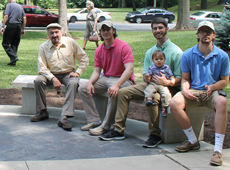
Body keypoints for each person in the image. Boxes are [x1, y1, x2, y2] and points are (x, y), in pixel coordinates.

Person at [99, 18, 183, 148]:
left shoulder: (176, 52)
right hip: (150, 85)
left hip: (169, 88)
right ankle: (118, 130)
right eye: (155, 28)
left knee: (153, 98)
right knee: (123, 92)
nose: (158, 31)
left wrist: (167, 82)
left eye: (160, 28)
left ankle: (155, 135)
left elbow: (179, 78)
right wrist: (148, 78)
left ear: (167, 29)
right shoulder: (150, 52)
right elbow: (145, 75)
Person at [170, 21, 229, 166]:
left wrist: (213, 87)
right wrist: (185, 90)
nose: (205, 34)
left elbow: (225, 81)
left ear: (213, 35)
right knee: (174, 103)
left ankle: (218, 151)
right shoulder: (188, 54)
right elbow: (185, 79)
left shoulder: (222, 56)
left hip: (212, 90)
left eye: (208, 32)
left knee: (222, 102)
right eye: (202, 31)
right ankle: (192, 141)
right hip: (193, 90)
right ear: (198, 34)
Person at [78, 21, 135, 135]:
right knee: (83, 88)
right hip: (106, 77)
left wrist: (117, 84)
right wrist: (90, 82)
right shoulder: (99, 49)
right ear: (100, 33)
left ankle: (106, 126)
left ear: (113, 31)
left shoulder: (123, 46)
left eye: (108, 29)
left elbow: (129, 69)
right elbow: (97, 71)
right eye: (103, 30)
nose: (106, 32)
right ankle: (94, 120)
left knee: (113, 91)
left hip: (123, 79)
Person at [30, 23, 89, 131]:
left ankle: (64, 117)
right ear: (48, 35)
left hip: (68, 73)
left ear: (61, 33)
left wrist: (78, 72)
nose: (54, 35)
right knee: (38, 81)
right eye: (51, 33)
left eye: (57, 32)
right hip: (50, 74)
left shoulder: (70, 42)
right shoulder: (43, 47)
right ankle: (42, 111)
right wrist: (53, 78)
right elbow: (41, 67)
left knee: (73, 83)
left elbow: (84, 58)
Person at [144, 50, 176, 118]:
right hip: (153, 84)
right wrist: (147, 77)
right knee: (148, 89)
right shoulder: (151, 68)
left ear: (164, 60)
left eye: (161, 59)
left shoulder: (166, 68)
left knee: (167, 94)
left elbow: (171, 76)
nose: (159, 61)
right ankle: (149, 99)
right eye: (156, 59)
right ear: (153, 60)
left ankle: (164, 108)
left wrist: (172, 81)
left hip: (163, 85)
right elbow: (148, 78)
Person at [0, 0, 26, 66]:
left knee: (5, 43)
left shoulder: (9, 5)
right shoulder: (20, 6)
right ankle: (13, 61)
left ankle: (13, 57)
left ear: (9, 0)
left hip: (11, 25)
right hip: (18, 26)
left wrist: (3, 26)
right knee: (14, 44)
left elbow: (6, 16)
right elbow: (24, 18)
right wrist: (23, 29)